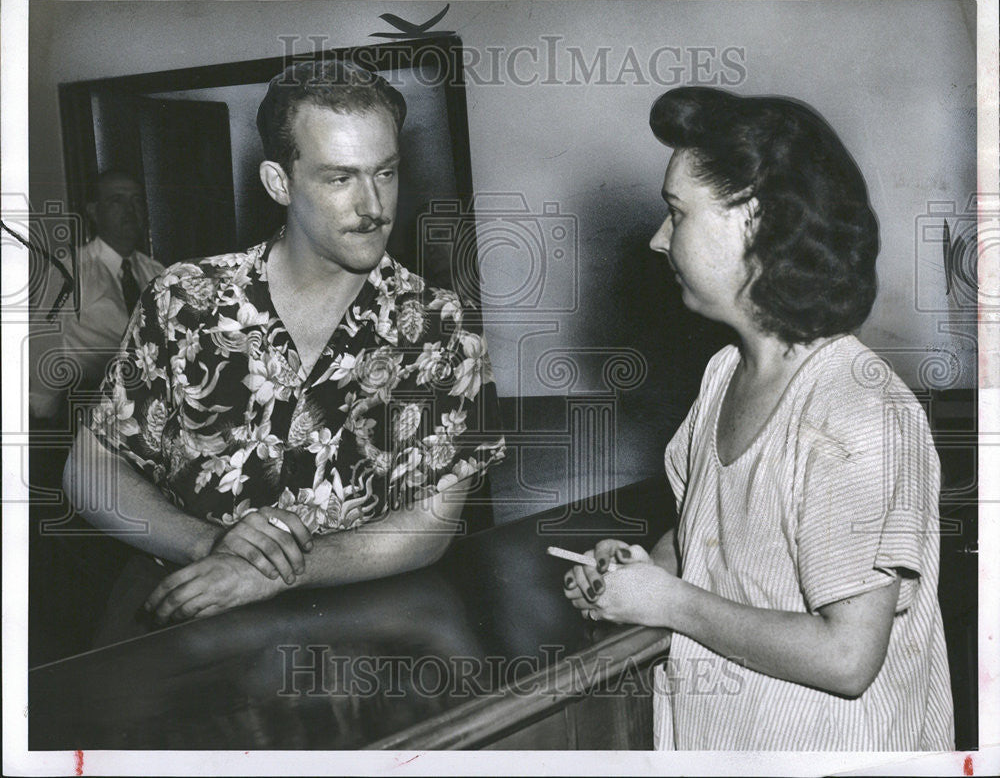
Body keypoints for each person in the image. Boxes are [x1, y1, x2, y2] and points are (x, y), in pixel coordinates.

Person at [562, 87, 954, 750]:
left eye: (676, 214)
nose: (659, 240)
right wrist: (635, 567)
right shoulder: (724, 374)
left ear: (757, 222)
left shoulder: (857, 410)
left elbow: (846, 658)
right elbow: (711, 539)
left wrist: (666, 603)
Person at [63, 59, 505, 629]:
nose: (373, 207)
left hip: (360, 639)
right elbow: (90, 469)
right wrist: (212, 546)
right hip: (183, 623)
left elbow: (431, 525)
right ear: (280, 182)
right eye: (340, 178)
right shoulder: (186, 300)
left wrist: (271, 570)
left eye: (386, 173)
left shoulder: (442, 328)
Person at [30, 169, 164, 420]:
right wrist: (42, 416)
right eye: (117, 201)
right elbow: (41, 342)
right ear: (93, 211)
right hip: (87, 405)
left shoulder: (156, 273)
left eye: (136, 201)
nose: (129, 210)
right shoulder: (70, 271)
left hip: (149, 405)